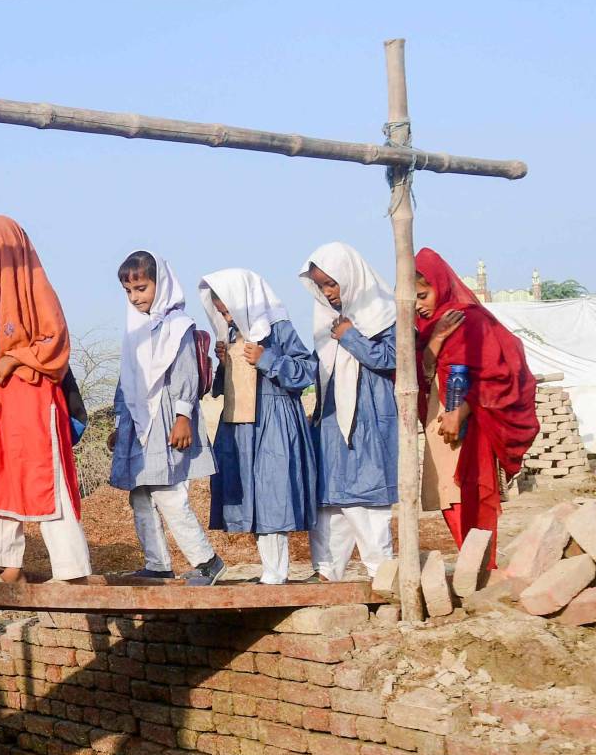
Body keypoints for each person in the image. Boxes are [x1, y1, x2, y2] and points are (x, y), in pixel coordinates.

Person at [0, 214, 93, 583]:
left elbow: (54, 341)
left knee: (46, 478)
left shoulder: (37, 291)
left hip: (33, 401)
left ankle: (71, 571)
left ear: (3, 253)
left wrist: (13, 360)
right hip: (2, 409)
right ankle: (6, 565)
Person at [414, 247, 539, 567]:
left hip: (470, 415)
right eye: (414, 298)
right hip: (436, 413)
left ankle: (484, 567)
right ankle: (472, 564)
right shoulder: (426, 329)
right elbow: (423, 372)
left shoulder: (471, 319)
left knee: (469, 488)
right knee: (445, 491)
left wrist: (462, 411)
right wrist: (436, 341)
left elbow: (499, 369)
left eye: (424, 295)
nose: (420, 305)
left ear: (440, 285)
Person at [108, 251, 223, 585]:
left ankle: (207, 561)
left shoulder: (178, 326)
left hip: (168, 418)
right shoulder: (135, 331)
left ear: (161, 284)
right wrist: (119, 424)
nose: (135, 297)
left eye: (141, 288)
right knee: (140, 493)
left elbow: (185, 373)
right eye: (129, 291)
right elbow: (126, 379)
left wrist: (183, 416)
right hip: (137, 422)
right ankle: (157, 564)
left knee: (169, 493)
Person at [199, 267, 316, 585]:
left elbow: (306, 370)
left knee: (272, 493)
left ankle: (277, 573)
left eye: (228, 309)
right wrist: (225, 363)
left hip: (273, 422)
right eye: (221, 311)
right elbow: (225, 387)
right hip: (239, 427)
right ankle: (270, 570)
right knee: (251, 494)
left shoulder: (277, 328)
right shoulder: (233, 334)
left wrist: (267, 358)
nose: (226, 315)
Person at [300, 242, 398, 582]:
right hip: (330, 419)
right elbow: (320, 371)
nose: (328, 293)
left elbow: (392, 358)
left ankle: (381, 574)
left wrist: (351, 337)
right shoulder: (326, 321)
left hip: (370, 414)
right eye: (321, 286)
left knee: (367, 499)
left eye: (332, 283)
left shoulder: (384, 312)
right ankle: (326, 572)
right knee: (329, 501)